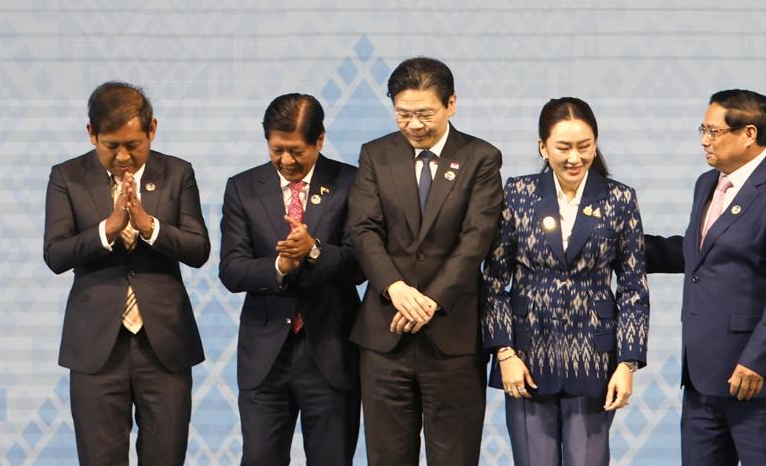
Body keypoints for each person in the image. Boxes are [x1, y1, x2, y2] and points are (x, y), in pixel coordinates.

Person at [645, 89, 766, 466]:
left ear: (749, 133)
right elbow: (698, 252)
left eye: (713, 131)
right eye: (702, 130)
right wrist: (624, 247)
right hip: (703, 379)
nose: (704, 140)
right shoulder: (707, 183)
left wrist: (757, 361)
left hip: (758, 381)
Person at [348, 55, 506, 466]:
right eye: (403, 114)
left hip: (452, 339)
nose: (414, 125)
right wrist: (396, 289)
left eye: (424, 114)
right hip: (385, 338)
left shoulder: (481, 158)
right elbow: (363, 231)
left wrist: (430, 301)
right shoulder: (375, 155)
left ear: (451, 104)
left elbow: (476, 240)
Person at [43, 81, 211, 466]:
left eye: (133, 145)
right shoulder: (66, 177)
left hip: (164, 347)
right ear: (91, 134)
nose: (123, 156)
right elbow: (55, 254)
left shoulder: (178, 173)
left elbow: (198, 249)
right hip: (95, 351)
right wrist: (108, 229)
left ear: (152, 129)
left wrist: (149, 225)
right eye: (110, 145)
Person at [483, 97, 648, 465]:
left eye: (584, 146)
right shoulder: (517, 194)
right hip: (525, 360)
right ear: (543, 147)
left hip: (595, 361)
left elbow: (634, 287)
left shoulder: (619, 199)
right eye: (563, 147)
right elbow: (493, 281)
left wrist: (627, 362)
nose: (575, 158)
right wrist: (504, 352)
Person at [218, 93, 365, 466]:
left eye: (296, 151)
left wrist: (314, 249)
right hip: (265, 357)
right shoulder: (242, 187)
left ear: (320, 140)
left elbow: (360, 264)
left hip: (330, 353)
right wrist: (280, 266)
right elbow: (232, 269)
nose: (286, 161)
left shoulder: (351, 182)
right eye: (276, 150)